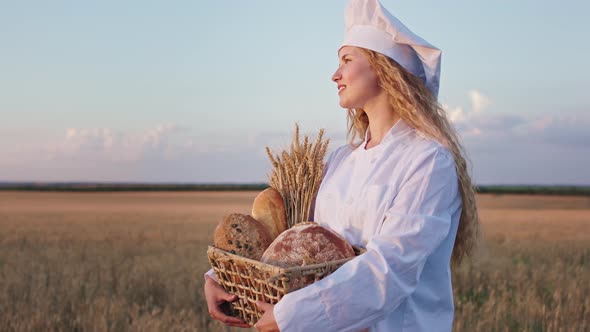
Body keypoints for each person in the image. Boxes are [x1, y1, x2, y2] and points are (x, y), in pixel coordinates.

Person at [205, 0, 479, 331]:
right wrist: (224, 277)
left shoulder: (428, 161)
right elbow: (288, 242)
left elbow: (390, 270)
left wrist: (293, 315)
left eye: (347, 60)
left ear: (383, 67)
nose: (335, 74)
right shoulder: (338, 160)